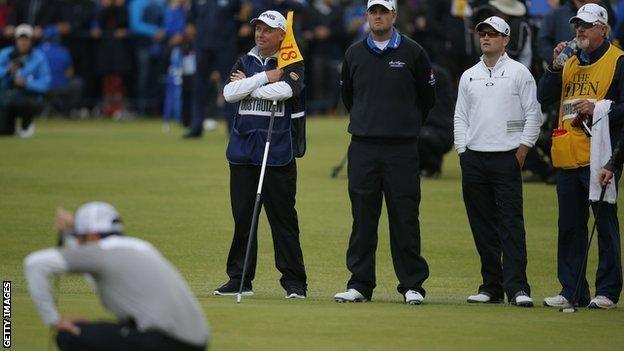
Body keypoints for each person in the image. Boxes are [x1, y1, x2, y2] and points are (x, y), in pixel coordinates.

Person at [334, 0, 435, 305]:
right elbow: (348, 97)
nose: (377, 17)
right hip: (363, 146)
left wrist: (403, 124)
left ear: (393, 15)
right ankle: (360, 284)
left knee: (405, 217)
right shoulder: (354, 53)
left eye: (383, 12)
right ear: (367, 16)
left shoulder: (413, 52)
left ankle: (412, 285)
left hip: (402, 147)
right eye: (373, 12)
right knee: (363, 217)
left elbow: (426, 98)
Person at [23, 201, 209, 351]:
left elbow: (35, 263)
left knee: (70, 336)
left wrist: (53, 320)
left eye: (80, 236)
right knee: (97, 330)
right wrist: (72, 234)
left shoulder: (103, 253)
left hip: (164, 342)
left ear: (92, 235)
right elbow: (93, 268)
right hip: (193, 341)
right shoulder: (139, 246)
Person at [214, 10, 308, 298]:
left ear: (282, 34)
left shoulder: (292, 61)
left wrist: (250, 86)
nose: (260, 34)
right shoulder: (245, 59)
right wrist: (265, 77)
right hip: (243, 151)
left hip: (277, 151)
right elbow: (230, 93)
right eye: (258, 29)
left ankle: (294, 282)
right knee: (244, 218)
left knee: (283, 220)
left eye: (268, 30)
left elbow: (289, 89)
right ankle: (240, 278)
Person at [537, 3, 623, 309]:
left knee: (604, 225)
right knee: (569, 226)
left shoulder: (618, 60)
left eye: (586, 25)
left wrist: (599, 107)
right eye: (577, 25)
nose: (580, 30)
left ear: (603, 28)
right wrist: (555, 66)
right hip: (566, 152)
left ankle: (608, 291)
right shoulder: (570, 61)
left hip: (599, 155)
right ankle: (571, 289)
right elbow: (544, 97)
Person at [454, 16, 542, 307]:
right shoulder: (469, 75)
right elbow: (460, 116)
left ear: (506, 40)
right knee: (482, 225)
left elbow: (533, 114)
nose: (487, 38)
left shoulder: (519, 73)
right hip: (475, 158)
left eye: (493, 34)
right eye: (483, 34)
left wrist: (522, 150)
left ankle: (517, 287)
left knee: (510, 224)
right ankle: (491, 285)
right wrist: (463, 151)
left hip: (507, 157)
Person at [0, 24, 50, 137]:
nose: (23, 42)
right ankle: (8, 126)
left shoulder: (39, 58)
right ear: (16, 40)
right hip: (6, 96)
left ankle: (26, 124)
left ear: (31, 41)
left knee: (26, 103)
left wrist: (26, 83)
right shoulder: (5, 54)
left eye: (26, 39)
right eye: (21, 39)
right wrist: (7, 71)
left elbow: (45, 83)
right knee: (5, 133)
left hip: (28, 96)